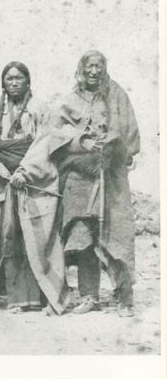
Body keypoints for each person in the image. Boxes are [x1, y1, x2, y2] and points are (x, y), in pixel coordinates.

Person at [0, 61, 69, 314]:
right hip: (5, 183)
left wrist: (25, 172)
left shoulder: (40, 109)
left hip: (34, 182)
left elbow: (44, 143)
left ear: (28, 81)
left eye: (19, 78)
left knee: (40, 238)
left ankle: (48, 296)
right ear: (3, 83)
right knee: (10, 238)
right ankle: (17, 298)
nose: (14, 82)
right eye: (9, 79)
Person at [52, 50, 140, 317]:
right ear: (81, 68)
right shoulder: (70, 99)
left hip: (110, 175)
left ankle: (124, 297)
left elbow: (128, 131)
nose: (93, 71)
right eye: (88, 66)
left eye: (98, 66)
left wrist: (110, 145)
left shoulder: (117, 95)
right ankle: (89, 296)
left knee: (117, 234)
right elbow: (56, 130)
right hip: (79, 177)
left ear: (104, 68)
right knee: (84, 236)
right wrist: (83, 141)